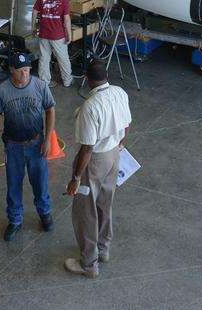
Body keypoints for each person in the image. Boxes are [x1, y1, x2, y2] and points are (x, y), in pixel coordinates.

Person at [65, 60, 132, 278]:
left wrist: (76, 178)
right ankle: (103, 250)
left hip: (94, 162)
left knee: (85, 212)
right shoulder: (120, 93)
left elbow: (87, 148)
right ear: (106, 75)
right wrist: (119, 146)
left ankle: (88, 264)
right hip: (114, 155)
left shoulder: (90, 107)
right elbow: (126, 126)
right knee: (105, 204)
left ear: (86, 78)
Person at [0, 51, 55, 241]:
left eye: (27, 70)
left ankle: (44, 212)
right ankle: (15, 220)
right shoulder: (2, 91)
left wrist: (48, 139)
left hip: (36, 144)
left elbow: (50, 109)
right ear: (11, 71)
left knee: (40, 182)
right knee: (13, 185)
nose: (25, 74)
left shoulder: (40, 86)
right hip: (13, 146)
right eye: (20, 71)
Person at [33, 0, 73, 87]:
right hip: (57, 35)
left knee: (44, 57)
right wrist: (69, 34)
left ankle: (44, 81)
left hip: (44, 33)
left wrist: (34, 27)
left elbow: (35, 11)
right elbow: (66, 19)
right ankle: (67, 80)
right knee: (63, 58)